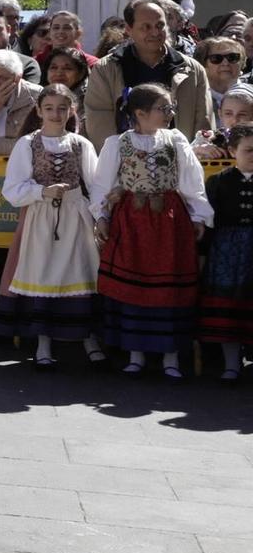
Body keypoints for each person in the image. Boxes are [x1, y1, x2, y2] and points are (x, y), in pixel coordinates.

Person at [90, 84, 211, 377]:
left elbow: (192, 180)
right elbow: (102, 184)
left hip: (169, 221)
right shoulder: (117, 143)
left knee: (169, 289)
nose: (169, 113)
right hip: (131, 221)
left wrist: (199, 215)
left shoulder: (175, 139)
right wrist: (101, 216)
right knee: (134, 287)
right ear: (140, 113)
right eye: (163, 108)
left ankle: (170, 357)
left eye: (171, 108)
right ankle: (136, 354)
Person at [0, 85, 103, 370]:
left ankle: (87, 338)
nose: (56, 114)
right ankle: (43, 341)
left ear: (71, 110)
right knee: (42, 273)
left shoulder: (81, 144)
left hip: (75, 216)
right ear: (39, 111)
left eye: (62, 108)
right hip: (40, 217)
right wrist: (42, 191)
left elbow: (96, 185)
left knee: (80, 271)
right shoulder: (27, 143)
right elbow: (12, 188)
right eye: (50, 108)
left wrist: (101, 216)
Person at [84, 0, 212, 146]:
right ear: (129, 29)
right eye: (146, 27)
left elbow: (203, 122)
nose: (155, 32)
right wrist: (123, 155)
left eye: (160, 25)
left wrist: (188, 153)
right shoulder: (105, 69)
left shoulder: (192, 70)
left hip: (181, 155)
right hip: (124, 157)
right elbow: (99, 123)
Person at [198, 125, 253, 383]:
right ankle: (231, 365)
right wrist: (202, 256)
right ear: (232, 151)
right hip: (227, 254)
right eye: (248, 150)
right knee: (228, 306)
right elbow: (208, 223)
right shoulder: (218, 181)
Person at [196, 36, 246, 121]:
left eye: (232, 57)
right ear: (202, 64)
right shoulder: (194, 98)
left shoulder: (250, 93)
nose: (225, 63)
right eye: (216, 58)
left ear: (242, 62)